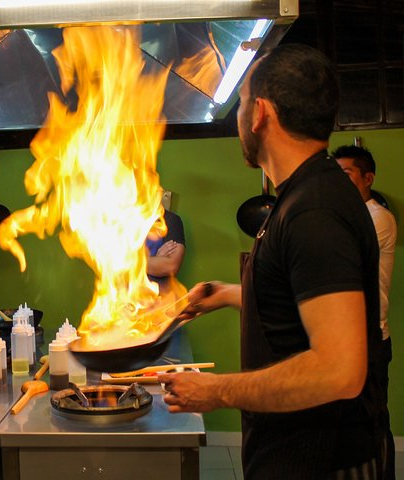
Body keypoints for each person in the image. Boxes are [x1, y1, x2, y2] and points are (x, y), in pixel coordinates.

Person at [159, 44, 388, 478]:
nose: (239, 117)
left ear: (260, 112)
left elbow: (340, 371)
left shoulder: (314, 210)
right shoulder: (307, 195)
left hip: (323, 461)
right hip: (297, 454)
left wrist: (217, 391)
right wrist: (226, 294)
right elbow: (303, 302)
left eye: (242, 102)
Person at [334, 144, 397, 479]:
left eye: (346, 175)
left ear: (368, 178)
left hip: (372, 336)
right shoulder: (346, 217)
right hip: (348, 338)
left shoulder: (378, 218)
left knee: (374, 422)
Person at [146, 209, 186, 295]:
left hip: (159, 301)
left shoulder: (170, 220)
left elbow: (171, 265)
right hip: (120, 302)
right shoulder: (117, 221)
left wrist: (126, 263)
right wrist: (156, 260)